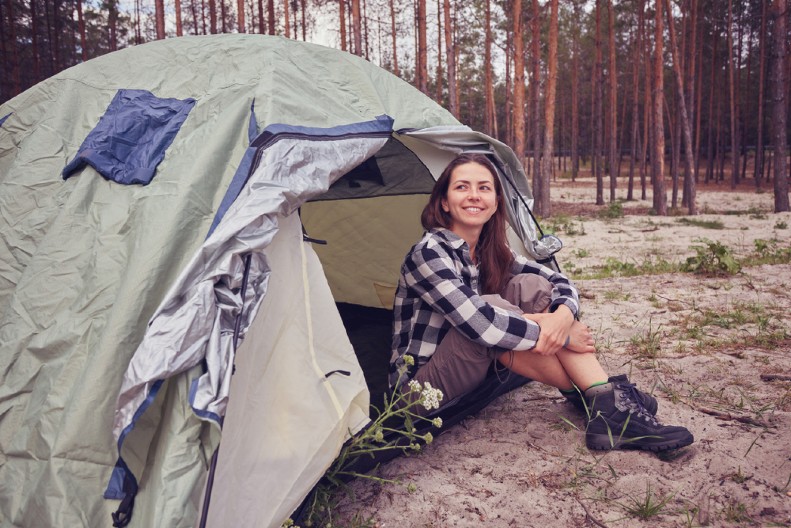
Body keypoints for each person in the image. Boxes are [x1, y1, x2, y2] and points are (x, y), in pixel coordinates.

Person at [389, 153, 693, 452]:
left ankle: (603, 400)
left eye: (484, 188)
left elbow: (559, 281)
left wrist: (562, 317)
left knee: (531, 286)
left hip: (470, 367)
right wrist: (563, 334)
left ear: (496, 202)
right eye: (461, 187)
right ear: (444, 202)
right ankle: (602, 398)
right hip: (418, 393)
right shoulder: (428, 253)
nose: (474, 196)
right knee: (494, 311)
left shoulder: (489, 249)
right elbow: (482, 325)